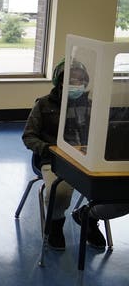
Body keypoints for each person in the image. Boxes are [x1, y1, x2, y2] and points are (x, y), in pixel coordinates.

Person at [22, 59, 129, 250]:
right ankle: (55, 225)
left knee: (120, 196)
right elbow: (29, 136)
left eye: (80, 80)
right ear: (60, 80)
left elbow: (105, 132)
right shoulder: (44, 104)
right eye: (71, 79)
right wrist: (47, 149)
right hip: (54, 159)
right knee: (61, 191)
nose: (76, 84)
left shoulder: (90, 105)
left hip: (88, 160)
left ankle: (88, 217)